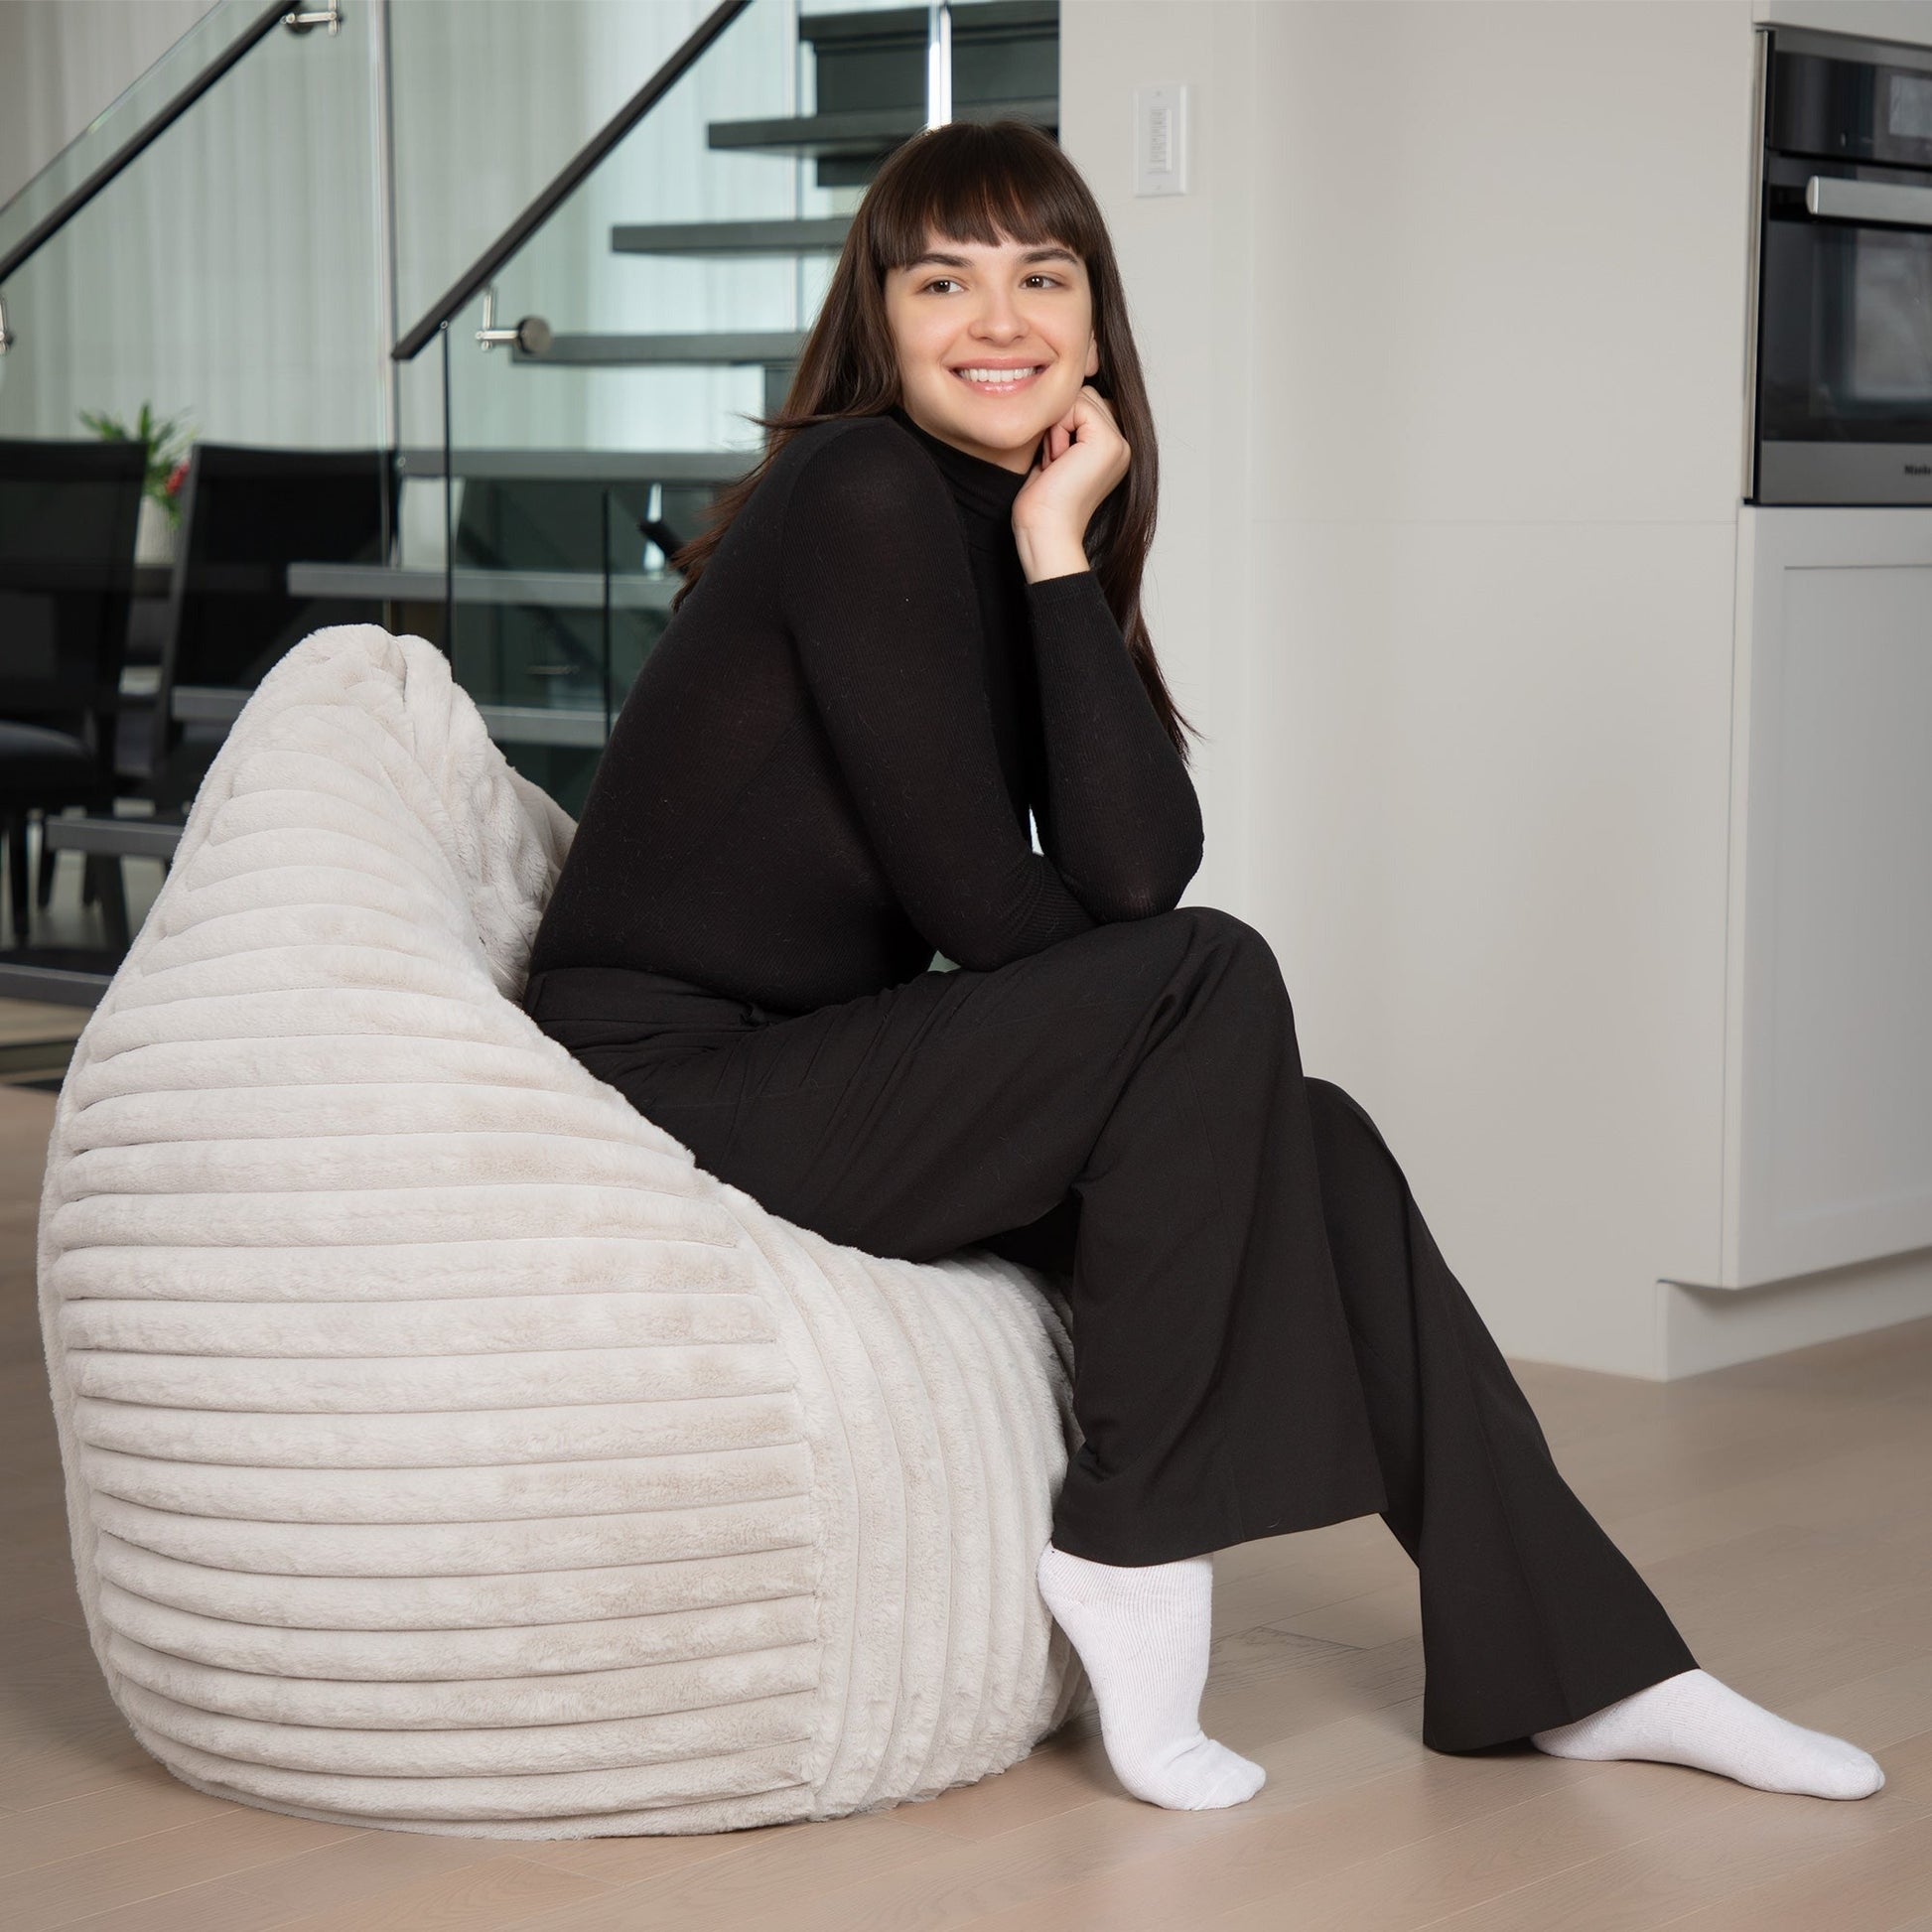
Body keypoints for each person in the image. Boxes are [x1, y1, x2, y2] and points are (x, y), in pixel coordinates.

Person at [519, 119, 1885, 1814]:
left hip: (832, 1057)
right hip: (676, 1085)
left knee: (1312, 1140)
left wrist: (1056, 552)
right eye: (942, 281)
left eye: (1042, 276)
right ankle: (1132, 1536)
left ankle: (1592, 1663)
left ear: (1095, 327)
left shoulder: (1009, 521)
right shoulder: (856, 487)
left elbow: (1129, 864)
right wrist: (1159, 1011)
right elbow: (996, 904)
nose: (996, 317)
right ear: (879, 319)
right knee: (1204, 986)